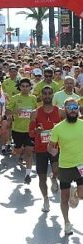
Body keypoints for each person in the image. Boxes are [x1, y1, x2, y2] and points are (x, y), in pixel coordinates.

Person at [48, 98, 83, 235]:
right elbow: (50, 146)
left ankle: (76, 192)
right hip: (65, 166)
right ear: (65, 109)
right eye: (70, 107)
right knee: (63, 198)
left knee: (81, 195)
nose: (73, 110)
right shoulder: (58, 128)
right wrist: (53, 151)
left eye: (75, 107)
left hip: (81, 165)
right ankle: (67, 222)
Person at [29, 86, 64, 212]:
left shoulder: (60, 112)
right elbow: (30, 133)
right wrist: (36, 131)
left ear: (52, 95)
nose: (47, 96)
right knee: (41, 178)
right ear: (41, 96)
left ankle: (54, 178)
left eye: (49, 93)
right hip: (41, 149)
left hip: (55, 147)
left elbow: (66, 128)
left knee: (56, 170)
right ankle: (45, 199)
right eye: (45, 93)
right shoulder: (35, 113)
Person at [6, 78, 37, 184]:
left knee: (29, 152)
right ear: (19, 87)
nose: (24, 88)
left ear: (30, 87)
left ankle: (28, 174)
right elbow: (7, 112)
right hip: (17, 129)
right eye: (22, 86)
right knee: (18, 150)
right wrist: (15, 111)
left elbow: (36, 111)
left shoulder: (33, 98)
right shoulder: (14, 98)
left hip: (30, 130)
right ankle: (19, 154)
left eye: (27, 86)